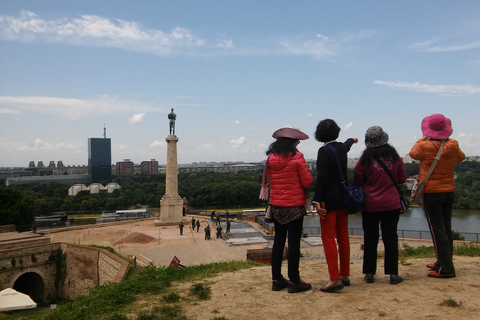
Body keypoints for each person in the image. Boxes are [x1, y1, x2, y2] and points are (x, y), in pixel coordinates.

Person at [409, 113, 465, 278]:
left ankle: (447, 268)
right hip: (449, 191)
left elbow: (412, 153)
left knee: (436, 229)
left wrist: (422, 138)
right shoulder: (453, 144)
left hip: (432, 192)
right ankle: (443, 260)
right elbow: (461, 158)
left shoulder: (424, 146)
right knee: (445, 228)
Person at [260, 125, 313, 293]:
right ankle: (294, 281)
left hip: (277, 206)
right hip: (294, 207)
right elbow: (307, 182)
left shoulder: (271, 158)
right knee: (294, 244)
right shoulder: (298, 157)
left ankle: (276, 279)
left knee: (278, 243)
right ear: (292, 142)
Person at [353, 126, 406, 285]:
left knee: (370, 238)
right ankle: (393, 274)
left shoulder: (364, 160)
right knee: (390, 237)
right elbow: (402, 178)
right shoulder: (394, 157)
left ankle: (369, 273)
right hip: (391, 204)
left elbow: (357, 181)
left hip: (370, 205)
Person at [312, 119, 357, 293]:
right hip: (343, 198)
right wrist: (352, 140)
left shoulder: (324, 151)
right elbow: (347, 144)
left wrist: (316, 200)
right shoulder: (341, 148)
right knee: (343, 237)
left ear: (319, 134)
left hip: (328, 200)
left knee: (328, 238)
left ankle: (334, 278)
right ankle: (344, 274)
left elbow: (322, 178)